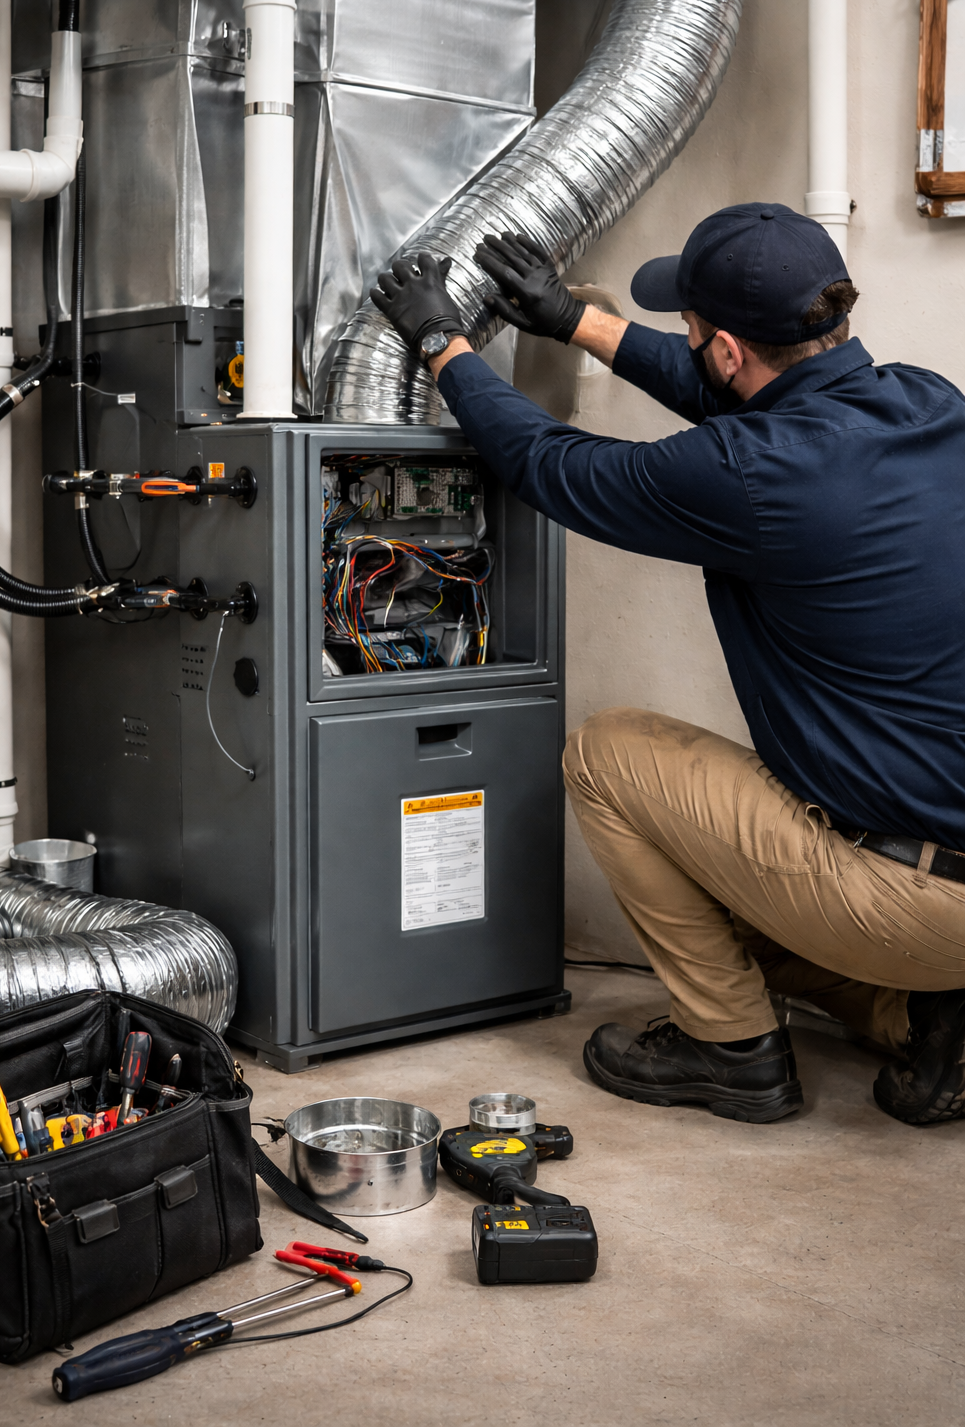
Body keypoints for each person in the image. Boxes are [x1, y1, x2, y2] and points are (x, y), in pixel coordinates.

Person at [370, 203, 965, 1126]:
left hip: (914, 894)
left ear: (727, 349)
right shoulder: (928, 402)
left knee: (610, 756)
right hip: (947, 870)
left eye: (689, 333)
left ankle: (731, 1048)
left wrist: (444, 344)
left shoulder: (756, 472)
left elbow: (548, 464)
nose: (686, 348)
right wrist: (576, 322)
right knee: (751, 882)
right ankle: (919, 1015)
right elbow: (751, 410)